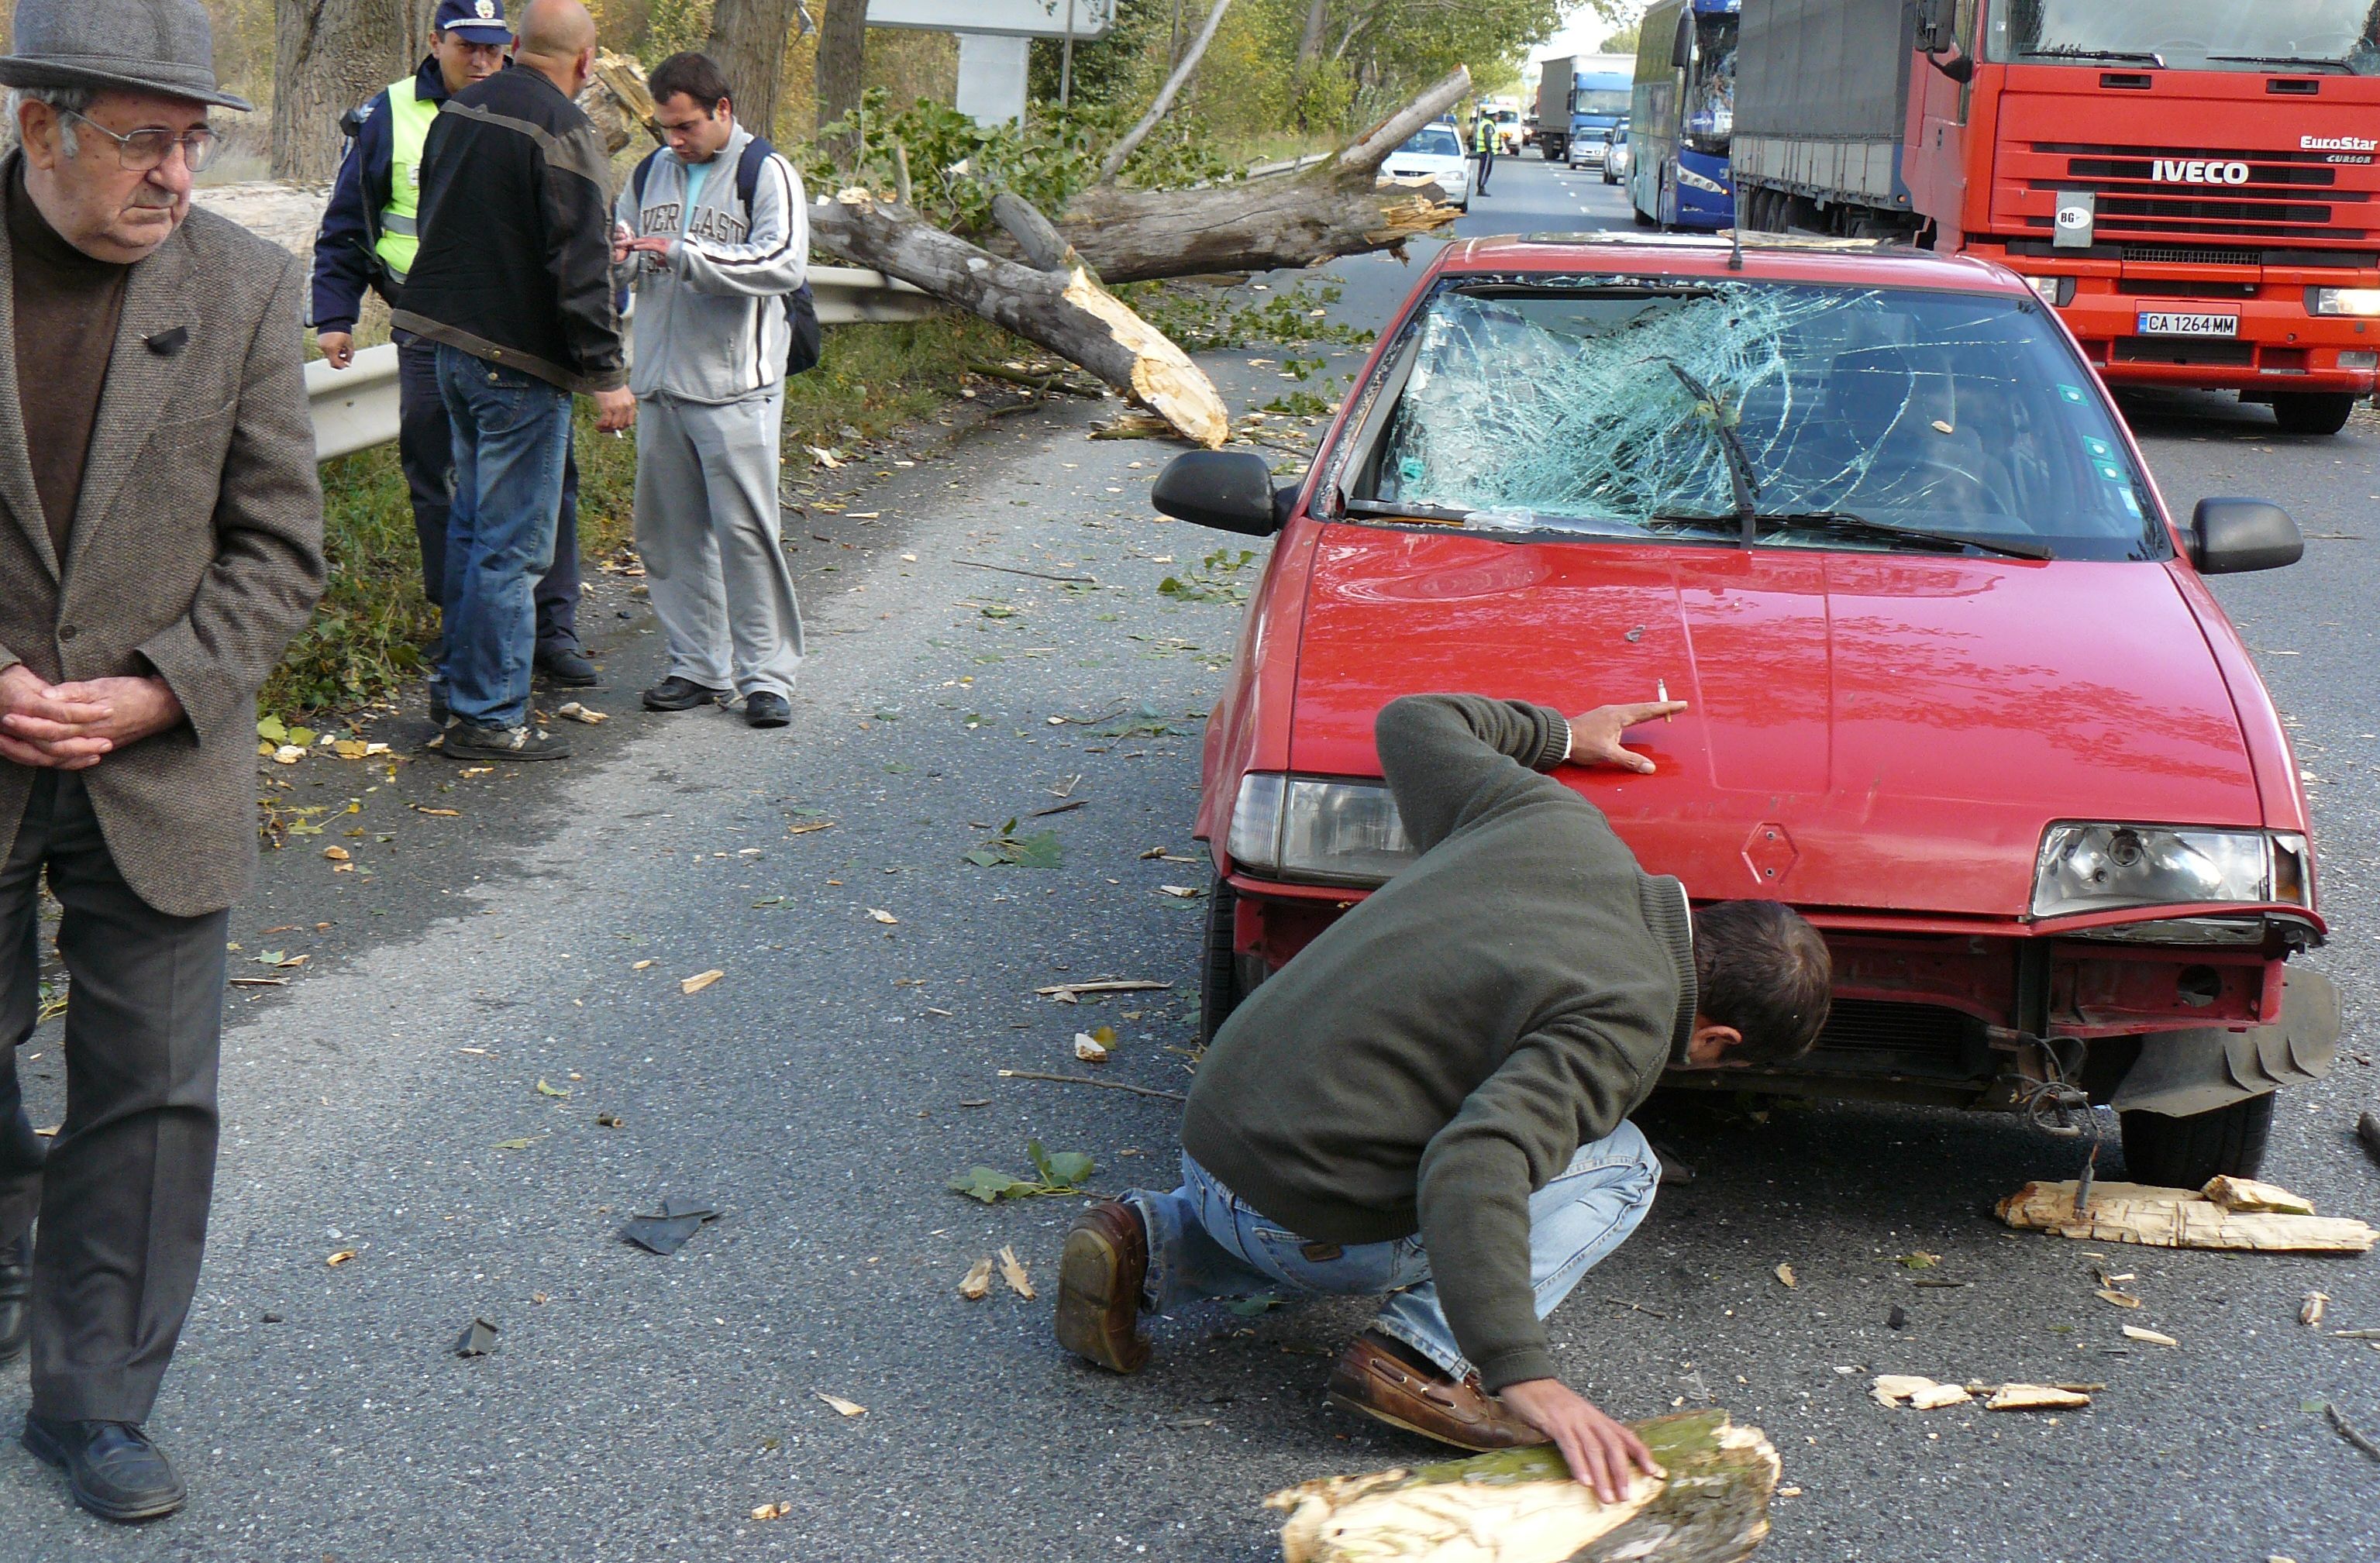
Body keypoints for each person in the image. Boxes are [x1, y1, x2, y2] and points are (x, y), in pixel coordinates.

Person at [1054, 694, 1834, 1502]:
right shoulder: (1630, 1017)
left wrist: (1564, 735)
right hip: (1298, 1223)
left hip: (1209, 1142)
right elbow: (1476, 1160)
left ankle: (1157, 1237)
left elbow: (1412, 722)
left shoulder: (1553, 821)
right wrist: (1520, 1369)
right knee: (1625, 1164)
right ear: (1719, 1041)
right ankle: (1422, 1355)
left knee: (1386, 1115)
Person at [0, 0, 326, 1522]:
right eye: (143, 138)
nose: (176, 174)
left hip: (159, 761)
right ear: (39, 127)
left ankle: (95, 1404)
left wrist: (147, 693)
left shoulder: (247, 289)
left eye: (194, 141)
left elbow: (277, 556)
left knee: (149, 1099)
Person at [311, 0, 600, 722]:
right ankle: (477, 678)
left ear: (513, 45)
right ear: (434, 40)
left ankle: (544, 636)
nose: (481, 60)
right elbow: (351, 218)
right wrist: (334, 311)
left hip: (491, 336)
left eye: (494, 47)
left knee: (527, 499)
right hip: (440, 333)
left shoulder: (506, 109)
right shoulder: (393, 113)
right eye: (468, 47)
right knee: (461, 505)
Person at [391, 0, 632, 762]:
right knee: (511, 547)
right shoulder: (565, 129)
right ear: (586, 63)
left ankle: (455, 692)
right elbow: (579, 263)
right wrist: (605, 374)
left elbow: (435, 217)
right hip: (518, 365)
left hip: (445, 344)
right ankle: (489, 714)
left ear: (518, 44)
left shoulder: (460, 111)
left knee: (469, 532)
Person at [611, 50, 808, 729]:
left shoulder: (766, 172)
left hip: (734, 388)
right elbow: (628, 263)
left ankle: (766, 678)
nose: (675, 139)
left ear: (722, 111)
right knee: (667, 535)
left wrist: (687, 255)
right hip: (661, 384)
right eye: (665, 126)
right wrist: (621, 260)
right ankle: (697, 665)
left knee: (747, 534)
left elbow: (783, 262)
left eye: (687, 126)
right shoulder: (648, 172)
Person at [1471, 105, 1497, 196]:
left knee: (1484, 169)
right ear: (1493, 116)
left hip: (1485, 151)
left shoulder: (1486, 123)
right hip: (1486, 152)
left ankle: (1481, 188)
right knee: (1485, 170)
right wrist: (1489, 150)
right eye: (1497, 116)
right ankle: (1481, 188)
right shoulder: (1488, 125)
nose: (1498, 118)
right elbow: (1487, 138)